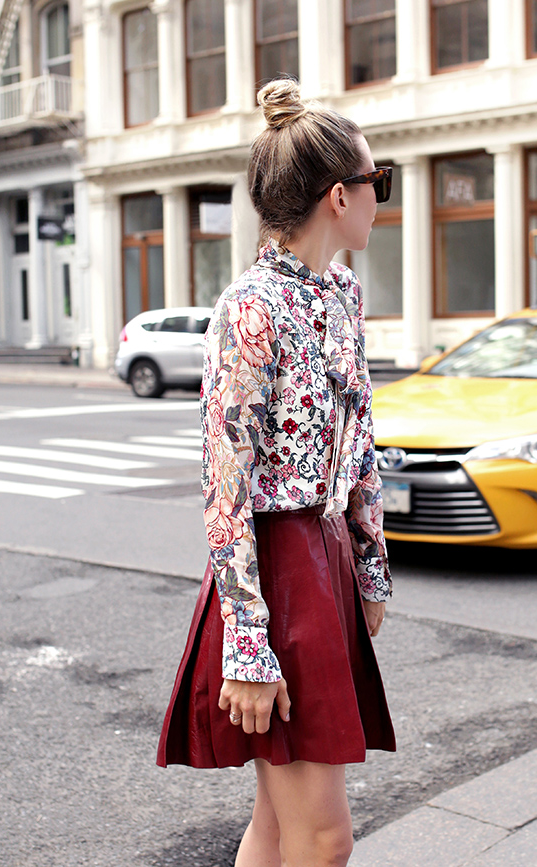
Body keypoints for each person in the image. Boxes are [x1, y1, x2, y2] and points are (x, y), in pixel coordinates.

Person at [157, 78, 395, 867]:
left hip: (321, 561)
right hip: (274, 571)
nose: (377, 198)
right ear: (338, 195)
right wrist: (248, 648)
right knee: (324, 838)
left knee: (278, 820)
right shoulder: (250, 307)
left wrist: (369, 568)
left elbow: (359, 439)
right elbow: (225, 486)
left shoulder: (340, 294)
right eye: (376, 182)